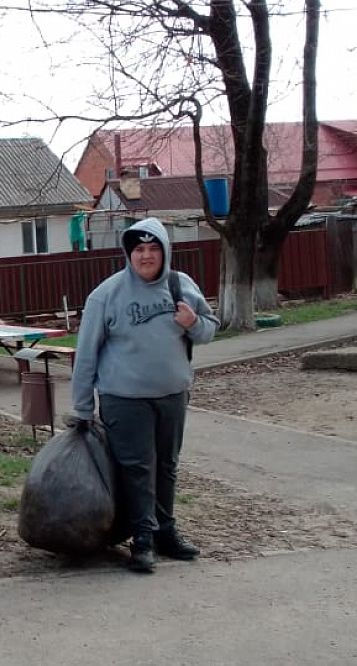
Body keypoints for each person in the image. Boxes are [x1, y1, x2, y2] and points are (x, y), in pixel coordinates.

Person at [70, 217, 218, 574]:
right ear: (128, 253)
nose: (146, 256)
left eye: (154, 249)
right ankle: (143, 539)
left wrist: (192, 323)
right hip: (124, 398)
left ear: (165, 251)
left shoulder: (180, 286)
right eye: (139, 249)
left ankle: (166, 532)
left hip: (172, 395)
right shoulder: (107, 295)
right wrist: (83, 406)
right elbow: (86, 352)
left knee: (166, 466)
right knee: (137, 469)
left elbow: (210, 329)